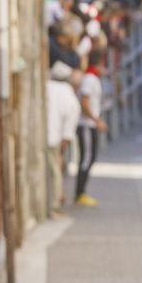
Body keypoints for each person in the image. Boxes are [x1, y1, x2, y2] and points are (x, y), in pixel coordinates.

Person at [73, 41, 107, 209]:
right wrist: (96, 120)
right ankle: (80, 193)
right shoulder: (89, 79)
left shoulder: (93, 78)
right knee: (86, 158)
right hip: (86, 124)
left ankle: (82, 192)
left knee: (90, 158)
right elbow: (84, 102)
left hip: (90, 124)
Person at [46, 61, 82, 214]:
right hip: (53, 139)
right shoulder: (71, 99)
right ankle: (54, 206)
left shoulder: (46, 87)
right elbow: (67, 136)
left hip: (43, 137)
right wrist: (61, 153)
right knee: (54, 171)